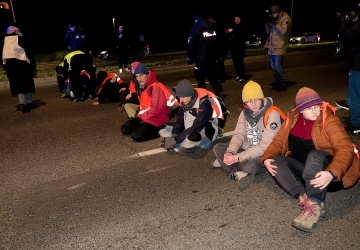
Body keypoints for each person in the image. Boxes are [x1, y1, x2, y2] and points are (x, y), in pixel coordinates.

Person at [261, 87, 360, 232]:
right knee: (274, 160)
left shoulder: (328, 120)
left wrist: (331, 173)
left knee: (314, 155)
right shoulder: (292, 119)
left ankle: (314, 205)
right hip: (306, 174)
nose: (314, 111)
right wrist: (265, 158)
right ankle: (303, 196)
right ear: (300, 110)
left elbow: (345, 148)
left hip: (329, 175)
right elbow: (277, 142)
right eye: (309, 108)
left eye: (317, 107)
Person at [211, 80, 283, 190]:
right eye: (249, 101)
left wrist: (239, 157)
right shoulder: (245, 112)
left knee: (249, 166)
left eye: (256, 100)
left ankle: (232, 166)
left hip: (264, 152)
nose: (253, 105)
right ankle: (237, 171)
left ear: (262, 99)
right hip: (247, 147)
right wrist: (231, 152)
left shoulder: (272, 114)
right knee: (218, 147)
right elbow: (238, 135)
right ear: (245, 103)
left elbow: (265, 147)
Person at [159, 79, 224, 157]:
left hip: (202, 131)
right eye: (179, 97)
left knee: (187, 144)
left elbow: (196, 127)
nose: (181, 100)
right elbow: (180, 121)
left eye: (183, 97)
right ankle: (180, 143)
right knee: (163, 130)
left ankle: (200, 144)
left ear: (190, 94)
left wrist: (175, 140)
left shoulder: (204, 104)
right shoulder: (184, 102)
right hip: (188, 129)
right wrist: (174, 135)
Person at [120, 63, 179, 142]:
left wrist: (142, 117)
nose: (139, 79)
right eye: (137, 76)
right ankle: (144, 127)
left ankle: (160, 130)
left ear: (147, 75)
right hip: (145, 117)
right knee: (125, 129)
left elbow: (155, 110)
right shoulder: (144, 86)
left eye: (141, 75)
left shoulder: (156, 87)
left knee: (136, 135)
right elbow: (144, 105)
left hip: (156, 119)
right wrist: (140, 117)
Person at [187, 12, 226, 100]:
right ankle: (219, 92)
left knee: (200, 79)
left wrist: (189, 57)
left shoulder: (196, 28)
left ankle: (203, 96)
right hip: (212, 58)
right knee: (213, 77)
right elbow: (219, 42)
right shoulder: (213, 28)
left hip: (201, 59)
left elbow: (191, 44)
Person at [335, 3, 360, 135]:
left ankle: (356, 125)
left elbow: (344, 35)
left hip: (357, 66)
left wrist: (343, 22)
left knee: (356, 96)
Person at [2, 23, 37, 114]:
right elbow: (29, 52)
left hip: (12, 66)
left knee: (19, 85)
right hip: (23, 65)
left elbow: (4, 55)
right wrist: (33, 65)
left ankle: (23, 103)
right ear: (17, 30)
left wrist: (5, 65)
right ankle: (28, 103)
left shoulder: (6, 40)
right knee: (27, 83)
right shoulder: (21, 38)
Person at [264, 5, 292, 92]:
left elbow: (283, 31)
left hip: (280, 45)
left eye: (275, 13)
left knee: (277, 66)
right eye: (272, 14)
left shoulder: (285, 18)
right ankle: (278, 83)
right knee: (273, 67)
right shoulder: (273, 19)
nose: (273, 15)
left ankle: (282, 84)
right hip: (272, 46)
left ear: (279, 12)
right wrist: (266, 23)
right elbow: (268, 32)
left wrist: (276, 22)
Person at [227, 16, 247, 83]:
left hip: (240, 48)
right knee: (235, 62)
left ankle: (242, 76)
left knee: (240, 62)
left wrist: (233, 31)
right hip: (234, 48)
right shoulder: (233, 26)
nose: (236, 20)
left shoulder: (242, 26)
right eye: (235, 19)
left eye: (237, 19)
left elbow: (242, 34)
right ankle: (238, 74)